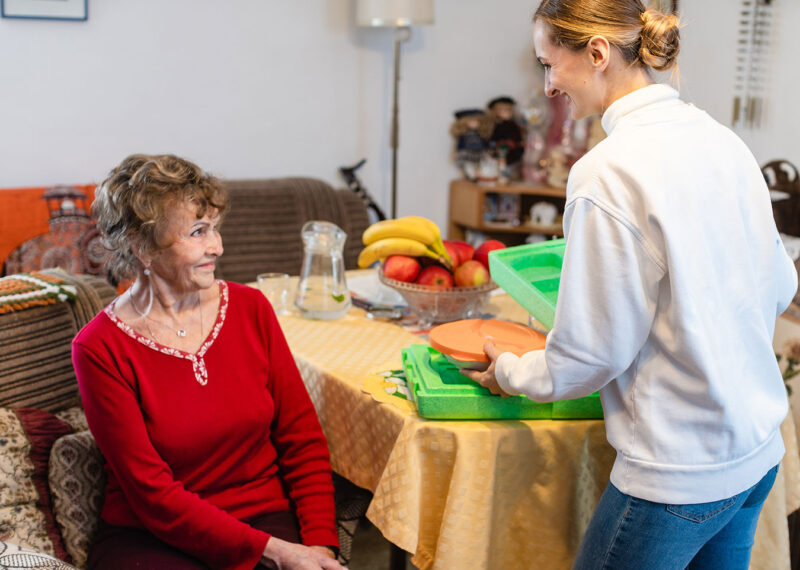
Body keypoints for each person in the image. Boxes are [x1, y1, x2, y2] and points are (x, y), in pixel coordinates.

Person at [464, 1, 798, 568]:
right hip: (756, 457)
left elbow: (589, 355)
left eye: (550, 65)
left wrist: (512, 372)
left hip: (677, 475)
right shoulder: (723, 140)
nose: (547, 86)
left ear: (596, 54)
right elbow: (779, 285)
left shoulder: (607, 170)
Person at [72, 154, 344, 570]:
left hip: (263, 514)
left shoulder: (251, 308)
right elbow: (152, 494)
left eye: (215, 228)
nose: (217, 246)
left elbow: (301, 438)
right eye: (198, 232)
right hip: (151, 535)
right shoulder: (99, 348)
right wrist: (275, 552)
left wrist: (322, 545)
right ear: (141, 246)